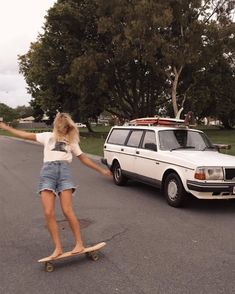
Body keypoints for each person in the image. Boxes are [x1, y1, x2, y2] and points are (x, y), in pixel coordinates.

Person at [0, 113, 112, 258]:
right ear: (57, 126)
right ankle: (57, 248)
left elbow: (83, 158)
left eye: (66, 128)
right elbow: (24, 135)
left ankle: (79, 243)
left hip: (64, 173)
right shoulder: (47, 136)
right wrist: (5, 127)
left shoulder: (71, 141)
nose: (64, 130)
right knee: (48, 212)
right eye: (62, 128)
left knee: (67, 210)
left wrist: (102, 170)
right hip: (47, 173)